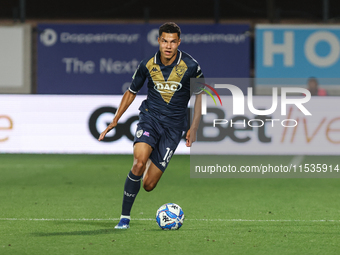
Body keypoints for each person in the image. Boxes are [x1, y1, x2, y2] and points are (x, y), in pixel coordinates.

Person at [98, 22, 203, 229]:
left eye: (173, 42)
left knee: (148, 185)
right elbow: (131, 91)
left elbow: (200, 96)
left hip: (173, 129)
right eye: (164, 40)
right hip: (150, 119)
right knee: (138, 162)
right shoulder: (147, 64)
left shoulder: (192, 67)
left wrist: (194, 126)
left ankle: (148, 162)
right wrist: (116, 118)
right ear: (158, 41)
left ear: (178, 43)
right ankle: (124, 218)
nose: (168, 46)